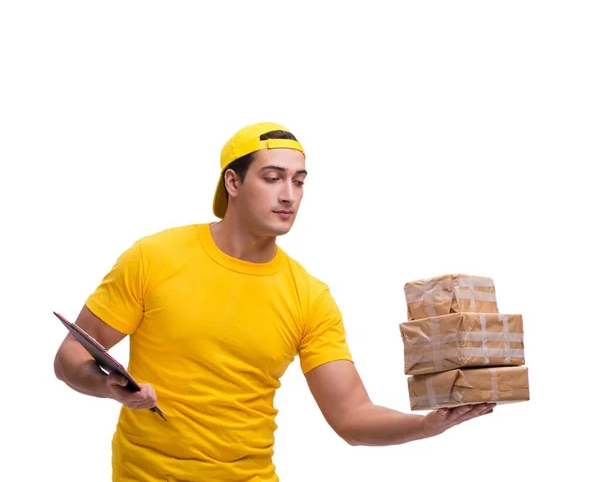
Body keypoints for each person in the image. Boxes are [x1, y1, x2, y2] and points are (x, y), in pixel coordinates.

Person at [53, 121, 495, 482]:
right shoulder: (154, 258)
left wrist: (427, 425)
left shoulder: (309, 296)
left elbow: (351, 416)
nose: (289, 195)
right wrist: (107, 387)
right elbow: (73, 355)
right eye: (273, 178)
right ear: (233, 181)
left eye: (299, 181)